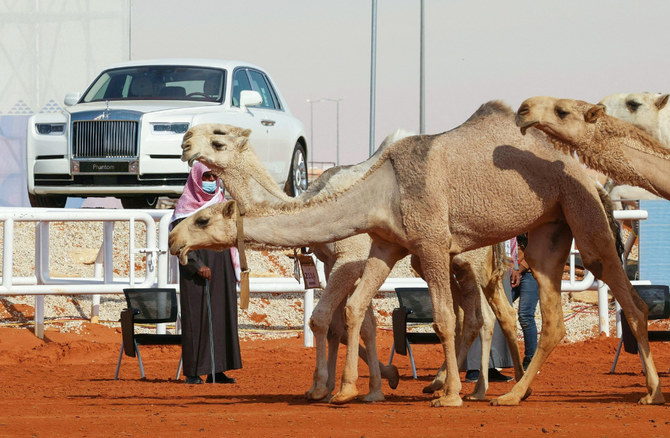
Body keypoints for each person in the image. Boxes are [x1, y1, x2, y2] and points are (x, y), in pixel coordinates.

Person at [170, 162, 242, 384]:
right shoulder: (186, 209)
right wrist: (196, 265)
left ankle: (217, 370)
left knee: (221, 318)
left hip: (221, 268)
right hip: (196, 273)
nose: (210, 181)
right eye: (206, 177)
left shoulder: (222, 204)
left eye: (214, 177)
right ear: (196, 178)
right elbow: (178, 241)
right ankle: (193, 371)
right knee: (197, 320)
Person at [463, 239, 516, 383]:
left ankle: (492, 366)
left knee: (499, 315)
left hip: (502, 261)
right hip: (480, 259)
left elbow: (512, 239)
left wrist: (515, 266)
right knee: (477, 311)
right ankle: (473, 368)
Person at [511, 233, 539, 371]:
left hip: (530, 272)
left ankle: (531, 358)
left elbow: (535, 249)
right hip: (514, 271)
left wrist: (517, 270)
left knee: (525, 315)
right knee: (495, 312)